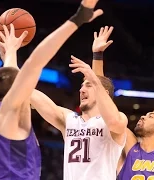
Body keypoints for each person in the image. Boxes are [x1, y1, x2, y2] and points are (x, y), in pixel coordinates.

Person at [0, 1, 103, 179]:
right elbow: (34, 63)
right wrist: (77, 19)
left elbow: (15, 79)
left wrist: (9, 53)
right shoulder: (9, 111)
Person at [30, 26, 127, 180]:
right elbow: (29, 92)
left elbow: (113, 119)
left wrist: (94, 76)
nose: (81, 90)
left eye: (88, 85)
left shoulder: (115, 121)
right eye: (81, 86)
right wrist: (10, 61)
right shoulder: (69, 120)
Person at [90, 37, 154, 180]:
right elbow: (102, 100)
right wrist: (97, 55)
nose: (143, 117)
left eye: (151, 116)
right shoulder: (130, 148)